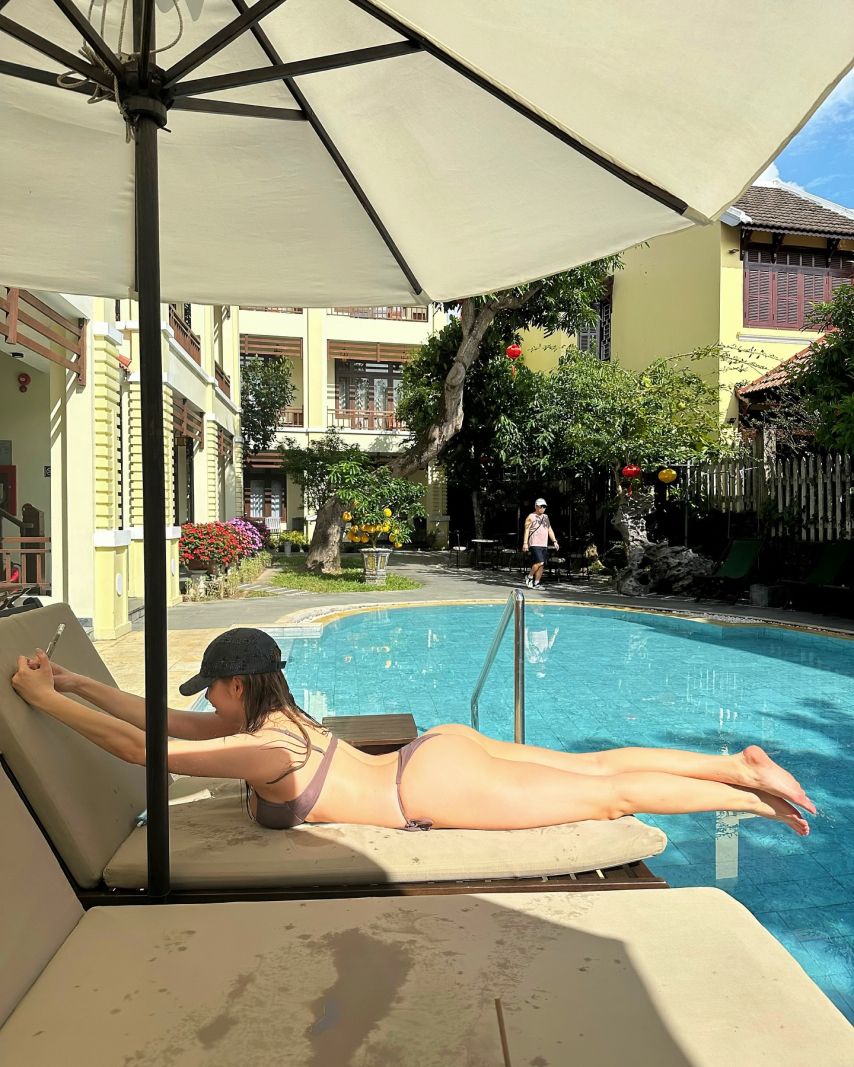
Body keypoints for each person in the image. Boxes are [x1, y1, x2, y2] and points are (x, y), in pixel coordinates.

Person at [11, 628, 814, 836]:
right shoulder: (273, 719)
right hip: (435, 753)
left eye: (210, 689)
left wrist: (45, 700)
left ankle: (745, 789)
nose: (204, 702)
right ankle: (731, 762)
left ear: (236, 685)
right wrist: (75, 683)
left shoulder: (262, 746)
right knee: (596, 765)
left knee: (609, 798)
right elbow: (159, 722)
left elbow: (142, 750)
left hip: (430, 787)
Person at [522, 497, 559, 588]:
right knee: (540, 562)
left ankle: (537, 583)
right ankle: (529, 576)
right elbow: (527, 530)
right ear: (536, 506)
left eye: (544, 506)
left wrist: (554, 541)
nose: (543, 508)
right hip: (535, 543)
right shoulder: (531, 516)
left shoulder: (546, 517)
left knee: (542, 565)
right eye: (541, 506)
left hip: (544, 544)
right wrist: (525, 543)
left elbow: (549, 529)